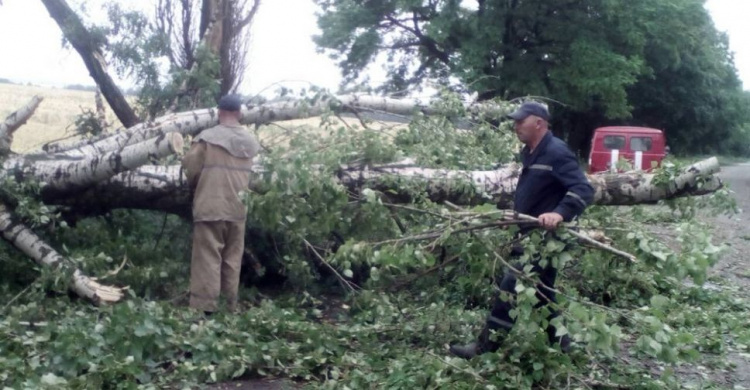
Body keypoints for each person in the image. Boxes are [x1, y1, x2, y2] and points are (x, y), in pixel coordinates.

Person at [449, 101, 594, 359]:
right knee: (542, 293)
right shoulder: (529, 152)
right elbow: (535, 193)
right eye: (515, 121)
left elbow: (584, 189)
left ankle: (484, 349)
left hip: (544, 240)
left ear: (539, 122)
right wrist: (514, 216)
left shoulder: (556, 152)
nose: (515, 125)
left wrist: (559, 213)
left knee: (511, 286)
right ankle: (563, 347)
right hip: (527, 233)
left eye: (520, 120)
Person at [182, 94, 260, 314]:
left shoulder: (207, 139)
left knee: (208, 257)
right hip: (238, 209)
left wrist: (196, 186)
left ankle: (205, 310)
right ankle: (229, 307)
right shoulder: (250, 143)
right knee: (232, 260)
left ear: (219, 112)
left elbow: (190, 168)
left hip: (210, 207)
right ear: (239, 114)